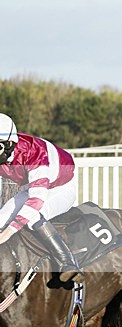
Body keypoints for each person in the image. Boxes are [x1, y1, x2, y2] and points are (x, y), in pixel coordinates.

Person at [0, 113, 83, 283]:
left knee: (32, 217)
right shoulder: (4, 150)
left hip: (62, 186)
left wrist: (8, 233)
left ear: (9, 144)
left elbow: (36, 200)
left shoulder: (34, 153)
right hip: (35, 186)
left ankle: (68, 262)